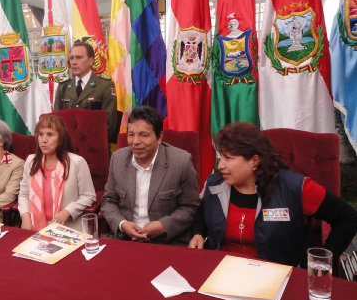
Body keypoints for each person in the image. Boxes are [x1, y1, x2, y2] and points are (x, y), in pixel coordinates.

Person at [189, 122, 357, 267]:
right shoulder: (215, 184)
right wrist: (198, 233)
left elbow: (348, 218)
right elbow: (203, 213)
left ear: (254, 161)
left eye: (229, 158)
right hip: (218, 272)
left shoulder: (296, 188)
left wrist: (323, 259)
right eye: (221, 157)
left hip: (276, 280)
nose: (220, 166)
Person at [101, 106, 200, 245]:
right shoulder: (118, 159)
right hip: (124, 238)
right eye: (131, 134)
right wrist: (122, 224)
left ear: (159, 137)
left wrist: (162, 225)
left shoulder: (181, 162)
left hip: (166, 240)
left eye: (144, 135)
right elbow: (108, 201)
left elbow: (190, 207)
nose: (135, 141)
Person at [18, 115, 96, 231]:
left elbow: (89, 196)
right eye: (40, 134)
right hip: (35, 227)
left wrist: (68, 211)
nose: (44, 139)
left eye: (50, 134)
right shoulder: (31, 161)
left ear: (61, 138)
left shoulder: (77, 162)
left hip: (68, 228)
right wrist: (25, 216)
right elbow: (24, 195)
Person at [54, 41, 117, 142]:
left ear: (90, 61)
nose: (73, 62)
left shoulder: (105, 86)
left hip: (95, 148)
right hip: (68, 150)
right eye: (71, 58)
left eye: (79, 57)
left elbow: (109, 125)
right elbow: (56, 122)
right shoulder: (63, 87)